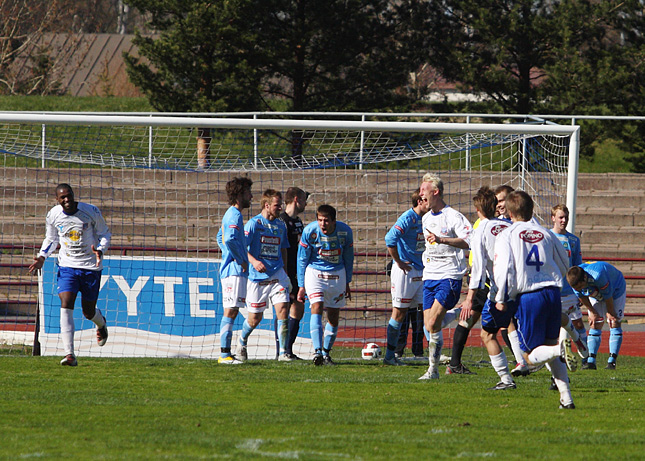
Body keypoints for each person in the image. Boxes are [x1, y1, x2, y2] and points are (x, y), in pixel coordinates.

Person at [493, 190, 577, 409]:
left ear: (509, 213)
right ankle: (566, 399)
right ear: (531, 211)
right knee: (549, 347)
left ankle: (560, 349)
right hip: (552, 293)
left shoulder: (507, 235)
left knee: (529, 357)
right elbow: (564, 263)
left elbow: (502, 268)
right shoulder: (545, 233)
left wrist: (500, 297)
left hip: (529, 296)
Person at [28, 183, 111, 367]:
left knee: (88, 311)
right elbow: (51, 239)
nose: (67, 200)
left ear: (73, 195)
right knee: (66, 303)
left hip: (90, 267)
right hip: (67, 266)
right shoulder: (53, 215)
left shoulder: (90, 211)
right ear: (57, 200)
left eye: (69, 196)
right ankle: (70, 354)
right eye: (62, 197)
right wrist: (42, 256)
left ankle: (101, 324)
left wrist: (100, 250)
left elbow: (105, 233)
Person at [459, 187, 516, 389]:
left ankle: (506, 379)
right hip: (523, 285)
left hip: (500, 289)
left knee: (487, 334)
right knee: (519, 329)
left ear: (478, 210)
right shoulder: (508, 225)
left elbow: (479, 269)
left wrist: (469, 297)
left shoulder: (481, 229)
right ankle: (538, 365)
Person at [418, 173, 472, 380]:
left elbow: (468, 241)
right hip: (429, 275)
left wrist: (442, 240)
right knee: (430, 325)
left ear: (435, 192)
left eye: (424, 190)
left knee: (432, 323)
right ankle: (458, 313)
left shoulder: (453, 216)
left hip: (449, 274)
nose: (421, 194)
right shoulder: (425, 218)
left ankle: (433, 370)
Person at [237, 189, 292, 362]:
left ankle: (283, 353)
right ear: (267, 205)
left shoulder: (280, 225)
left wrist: (284, 270)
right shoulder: (253, 224)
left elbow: (283, 248)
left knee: (283, 309)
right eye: (277, 205)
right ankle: (242, 341)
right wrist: (253, 262)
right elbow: (241, 248)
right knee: (255, 318)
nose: (280, 208)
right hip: (257, 278)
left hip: (277, 274)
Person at [297, 204, 354, 365]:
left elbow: (349, 257)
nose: (323, 224)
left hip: (337, 274)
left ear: (334, 221)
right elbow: (302, 258)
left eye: (326, 220)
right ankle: (317, 352)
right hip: (315, 273)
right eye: (320, 220)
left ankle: (326, 353)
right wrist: (301, 285)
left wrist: (348, 281)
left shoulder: (345, 232)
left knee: (333, 316)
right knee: (317, 306)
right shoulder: (310, 232)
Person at [383, 189, 428, 365]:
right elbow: (390, 239)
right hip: (405, 272)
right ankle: (389, 355)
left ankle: (433, 354)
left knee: (428, 310)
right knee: (399, 313)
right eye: (426, 199)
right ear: (419, 201)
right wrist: (399, 261)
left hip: (422, 270)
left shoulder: (429, 218)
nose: (429, 202)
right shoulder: (408, 218)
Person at [216, 176, 253, 365]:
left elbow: (220, 236)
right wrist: (240, 259)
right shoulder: (235, 214)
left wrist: (227, 253)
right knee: (230, 311)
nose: (251, 196)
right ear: (240, 195)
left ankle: (226, 353)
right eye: (248, 192)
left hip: (233, 269)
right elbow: (229, 239)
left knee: (232, 310)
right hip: (233, 271)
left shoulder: (232, 214)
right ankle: (224, 355)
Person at [567, 262, 627, 370]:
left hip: (615, 289)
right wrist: (592, 312)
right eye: (577, 288)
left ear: (584, 278)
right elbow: (581, 296)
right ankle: (591, 361)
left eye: (580, 286)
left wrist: (610, 312)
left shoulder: (598, 275)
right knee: (595, 323)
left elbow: (608, 295)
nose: (579, 289)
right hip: (594, 290)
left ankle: (611, 361)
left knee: (613, 321)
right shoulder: (574, 281)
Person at [550, 205, 588, 360]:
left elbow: (578, 267)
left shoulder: (573, 240)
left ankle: (587, 356)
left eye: (566, 217)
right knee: (552, 328)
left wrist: (580, 292)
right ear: (553, 218)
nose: (564, 220)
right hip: (552, 291)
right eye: (560, 217)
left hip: (569, 292)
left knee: (578, 324)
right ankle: (557, 358)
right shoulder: (547, 237)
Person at [280, 187, 309, 360]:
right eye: (304, 200)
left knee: (297, 308)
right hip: (286, 271)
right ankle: (283, 350)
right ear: (297, 199)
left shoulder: (298, 221)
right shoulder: (282, 221)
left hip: (297, 271)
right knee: (283, 309)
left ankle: (287, 350)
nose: (306, 204)